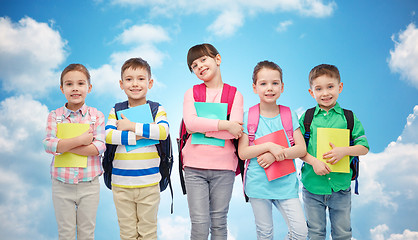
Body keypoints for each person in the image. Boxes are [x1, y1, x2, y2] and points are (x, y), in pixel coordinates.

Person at [238, 60, 308, 240]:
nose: (269, 88)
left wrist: (274, 156)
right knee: (265, 233)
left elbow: (301, 149)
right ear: (254, 87)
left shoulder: (288, 114)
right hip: (258, 185)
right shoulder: (248, 116)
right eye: (263, 83)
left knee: (300, 232)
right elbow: (243, 152)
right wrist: (269, 146)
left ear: (282, 87)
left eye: (275, 83)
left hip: (286, 185)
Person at [299, 64, 369, 240]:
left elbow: (364, 147)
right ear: (311, 92)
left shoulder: (349, 117)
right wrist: (314, 162)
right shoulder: (306, 118)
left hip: (341, 188)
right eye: (319, 89)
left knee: (343, 233)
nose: (325, 93)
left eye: (330, 87)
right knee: (315, 233)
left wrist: (344, 151)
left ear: (340, 87)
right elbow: (298, 150)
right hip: (312, 187)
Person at [182, 43, 244, 240]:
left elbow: (235, 132)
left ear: (217, 59)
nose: (199, 66)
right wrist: (224, 125)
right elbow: (190, 123)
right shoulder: (191, 93)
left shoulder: (235, 94)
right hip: (193, 167)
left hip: (224, 169)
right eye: (193, 65)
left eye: (203, 59)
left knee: (219, 223)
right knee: (199, 224)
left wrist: (204, 129)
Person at [105, 57, 169, 240]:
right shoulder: (116, 109)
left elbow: (163, 132)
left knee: (148, 233)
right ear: (121, 83)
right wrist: (146, 134)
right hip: (121, 184)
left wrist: (131, 126)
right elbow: (109, 136)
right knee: (127, 233)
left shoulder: (157, 109)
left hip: (149, 183)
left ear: (150, 83)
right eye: (129, 79)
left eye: (141, 79)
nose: (135, 84)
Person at [43, 63, 105, 240]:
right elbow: (49, 145)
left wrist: (64, 146)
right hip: (61, 185)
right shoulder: (54, 116)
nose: (75, 88)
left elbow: (99, 147)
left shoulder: (96, 115)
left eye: (81, 83)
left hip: (89, 184)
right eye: (69, 84)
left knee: (87, 233)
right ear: (62, 88)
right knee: (65, 233)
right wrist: (80, 141)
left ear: (89, 87)